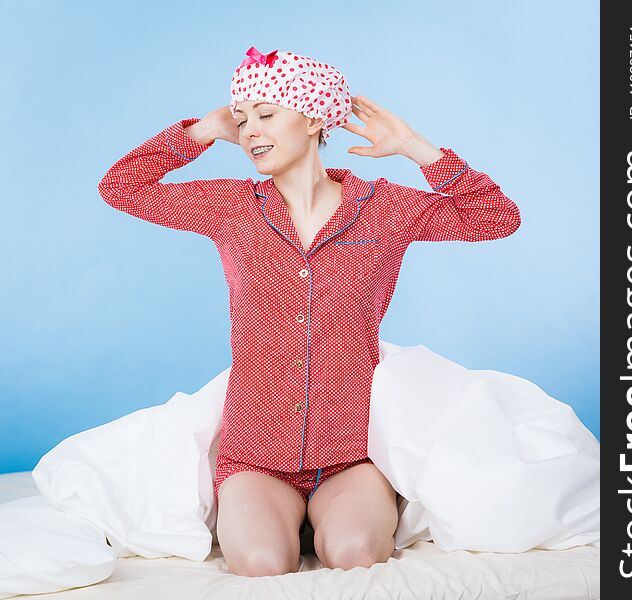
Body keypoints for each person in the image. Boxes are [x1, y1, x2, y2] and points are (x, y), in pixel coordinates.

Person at [98, 46, 521, 577]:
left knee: (354, 554)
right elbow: (120, 187)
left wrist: (415, 147)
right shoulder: (230, 207)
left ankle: (332, 515)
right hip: (255, 452)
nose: (250, 131)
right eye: (242, 117)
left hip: (351, 450)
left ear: (316, 118)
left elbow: (496, 217)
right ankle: (283, 519)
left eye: (267, 115)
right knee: (260, 562)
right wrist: (202, 130)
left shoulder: (385, 208)